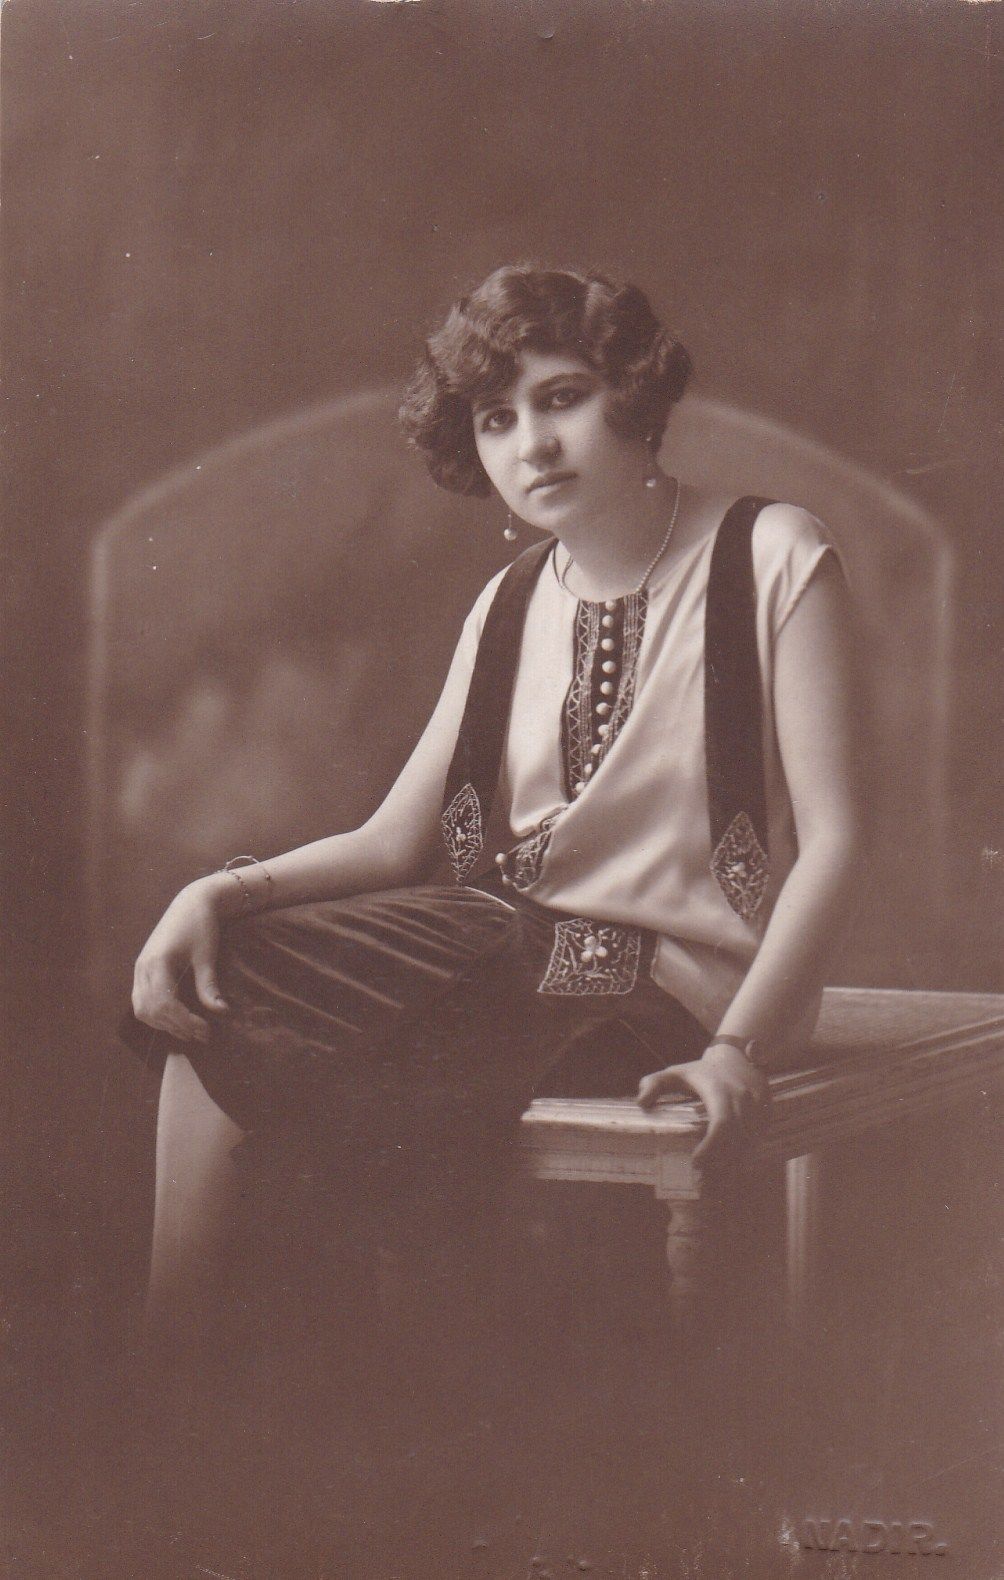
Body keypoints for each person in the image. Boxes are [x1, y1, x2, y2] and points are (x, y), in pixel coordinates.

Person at [124, 264, 865, 1358]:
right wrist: (216, 893)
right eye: (495, 419)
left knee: (304, 985)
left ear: (631, 393)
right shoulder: (510, 604)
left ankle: (171, 1368)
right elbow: (392, 841)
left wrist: (739, 1050)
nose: (533, 445)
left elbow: (838, 838)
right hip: (519, 977)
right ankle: (179, 1359)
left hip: (691, 994)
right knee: (235, 976)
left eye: (561, 398)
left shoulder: (770, 552)